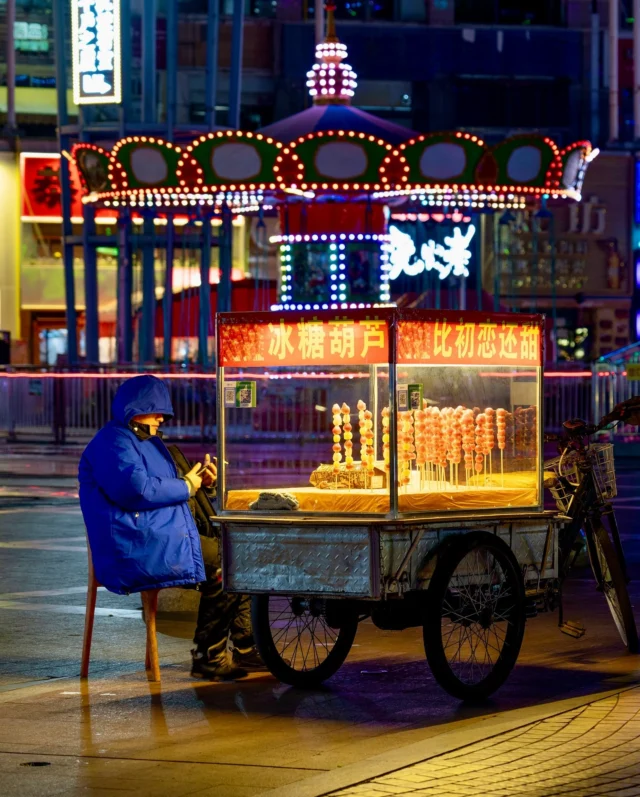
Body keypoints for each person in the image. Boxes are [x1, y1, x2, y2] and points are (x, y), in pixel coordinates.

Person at [78, 374, 258, 680]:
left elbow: (168, 487)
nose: (161, 418)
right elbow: (138, 490)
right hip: (136, 543)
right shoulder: (113, 442)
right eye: (156, 410)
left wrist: (202, 484)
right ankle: (208, 656)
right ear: (135, 409)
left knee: (237, 556)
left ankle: (245, 649)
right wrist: (187, 485)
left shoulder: (145, 443)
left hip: (159, 532)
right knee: (228, 563)